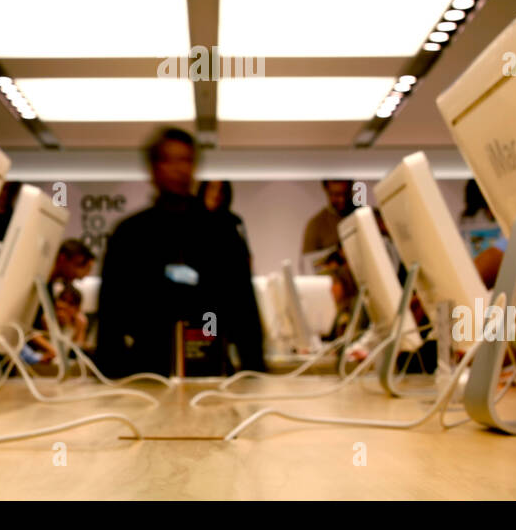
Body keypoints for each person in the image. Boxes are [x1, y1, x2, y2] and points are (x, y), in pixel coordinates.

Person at [95, 127, 265, 378]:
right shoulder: (131, 234)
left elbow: (244, 308)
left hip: (212, 367)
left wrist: (255, 372)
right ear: (153, 169)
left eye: (185, 160)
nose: (179, 169)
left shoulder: (222, 231)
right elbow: (111, 313)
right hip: (147, 370)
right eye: (169, 160)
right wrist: (109, 379)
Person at [301, 180, 355, 257]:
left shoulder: (369, 215)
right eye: (336, 195)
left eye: (346, 194)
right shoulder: (315, 226)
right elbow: (307, 265)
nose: (342, 199)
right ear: (326, 190)